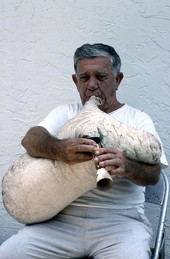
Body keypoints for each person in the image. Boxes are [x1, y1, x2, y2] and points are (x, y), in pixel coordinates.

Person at [0, 43, 168, 259]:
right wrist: (59, 149)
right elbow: (31, 139)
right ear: (75, 81)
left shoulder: (137, 119)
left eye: (101, 76)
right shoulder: (66, 112)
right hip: (61, 223)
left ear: (117, 80)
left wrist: (126, 166)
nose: (92, 85)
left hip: (120, 223)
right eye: (84, 78)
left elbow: (153, 175)